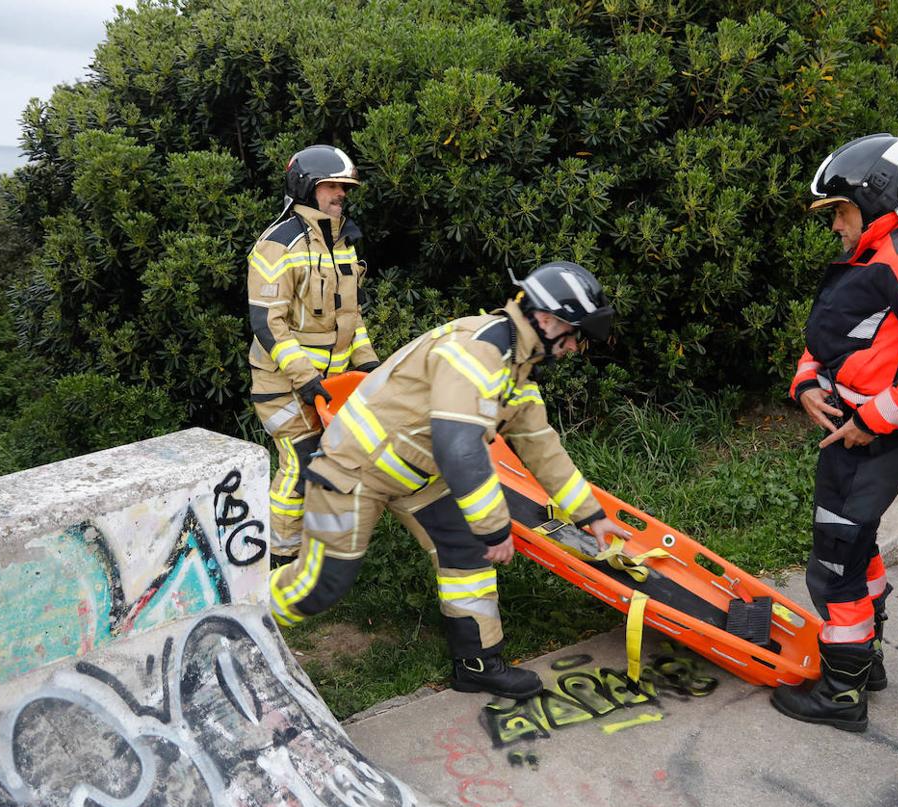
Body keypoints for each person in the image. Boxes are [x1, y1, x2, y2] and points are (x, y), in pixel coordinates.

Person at [269, 262, 631, 699]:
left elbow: (543, 448)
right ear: (549, 320)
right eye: (575, 334)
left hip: (416, 476)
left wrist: (592, 515)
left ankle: (478, 663)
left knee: (465, 550)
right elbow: (458, 449)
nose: (575, 347)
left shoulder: (515, 368)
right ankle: (236, 624)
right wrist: (494, 527)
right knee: (322, 584)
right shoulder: (477, 352)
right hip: (354, 470)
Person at [771, 133, 898, 732]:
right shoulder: (873, 254)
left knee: (835, 565)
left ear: (874, 198)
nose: (835, 224)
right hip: (852, 434)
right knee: (856, 550)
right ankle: (868, 665)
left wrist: (873, 418)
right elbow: (835, 334)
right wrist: (805, 381)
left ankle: (841, 692)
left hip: (871, 443)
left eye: (839, 210)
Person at [246, 145, 379, 569]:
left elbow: (350, 318)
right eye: (332, 186)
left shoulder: (343, 241)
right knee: (300, 464)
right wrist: (304, 377)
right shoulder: (277, 244)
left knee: (332, 467)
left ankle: (319, 552)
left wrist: (370, 364)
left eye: (344, 187)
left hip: (330, 388)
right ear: (306, 186)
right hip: (283, 385)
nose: (341, 194)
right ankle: (278, 561)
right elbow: (268, 323)